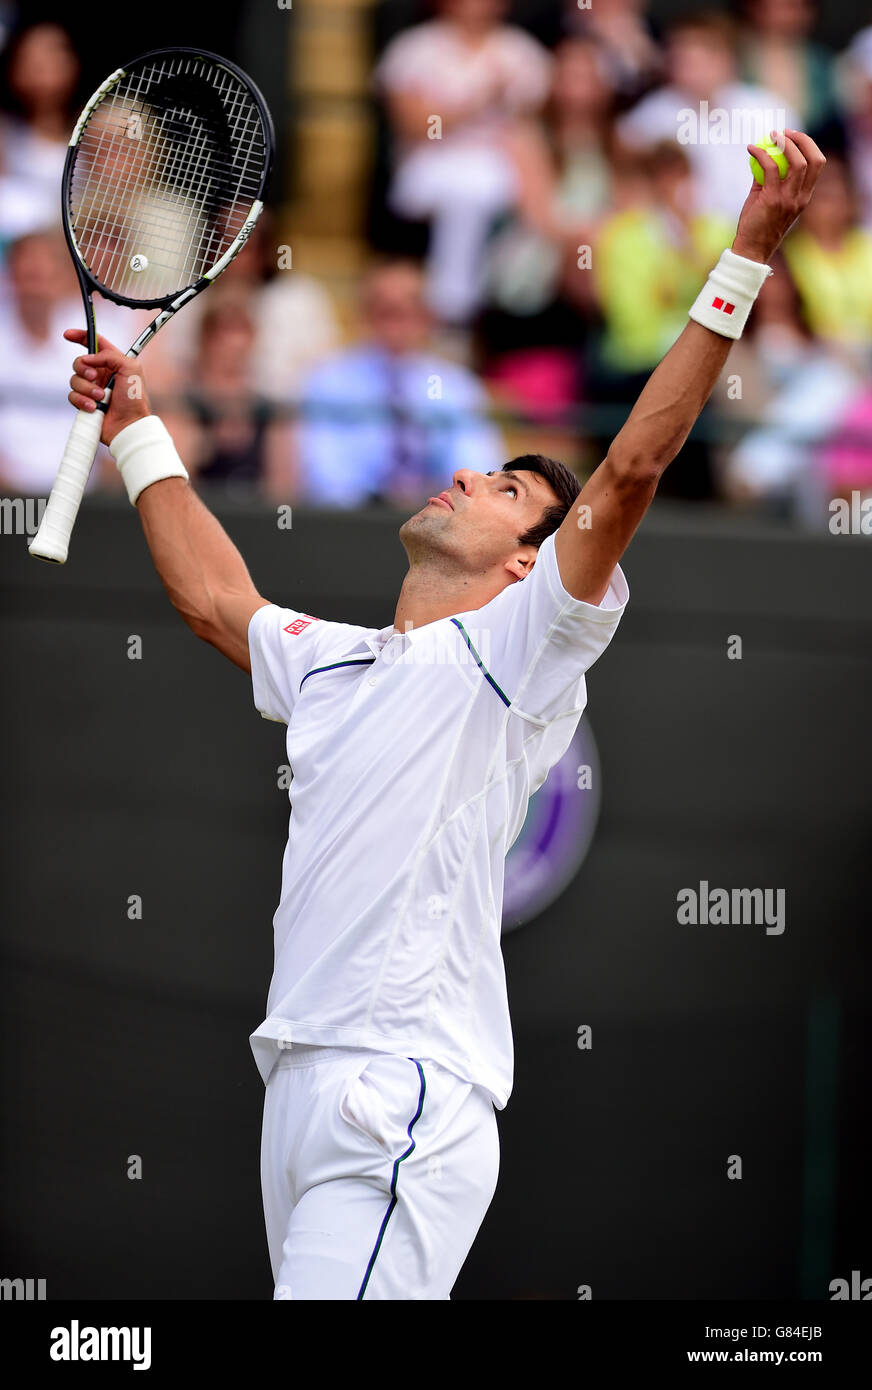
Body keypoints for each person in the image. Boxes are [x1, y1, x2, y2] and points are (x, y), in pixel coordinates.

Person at [59, 128, 825, 1299]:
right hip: (300, 1087)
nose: (469, 475)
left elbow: (624, 474)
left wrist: (742, 260)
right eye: (485, 470)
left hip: (399, 1095)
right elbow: (219, 597)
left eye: (505, 487)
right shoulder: (330, 663)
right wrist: (140, 428)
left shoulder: (522, 647)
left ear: (528, 565)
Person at [375, 0, 552, 323]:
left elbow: (530, 130)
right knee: (470, 188)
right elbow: (413, 124)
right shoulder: (414, 49)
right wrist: (479, 100)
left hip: (502, 165)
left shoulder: (522, 53)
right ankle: (452, 310)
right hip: (426, 166)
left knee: (508, 191)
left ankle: (509, 293)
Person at [294, 259, 505, 508]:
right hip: (353, 521)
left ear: (428, 317)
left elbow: (477, 468)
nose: (396, 324)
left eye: (407, 311)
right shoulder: (328, 380)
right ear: (364, 314)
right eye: (385, 311)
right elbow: (324, 471)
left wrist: (445, 510)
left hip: (441, 520)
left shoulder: (457, 387)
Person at [617, 9, 798, 222]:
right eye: (684, 59)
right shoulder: (644, 122)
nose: (694, 71)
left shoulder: (770, 110)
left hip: (763, 238)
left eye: (705, 57)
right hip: (680, 246)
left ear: (729, 59)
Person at [0, 21, 81, 249]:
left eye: (52, 55)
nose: (40, 69)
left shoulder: (98, 134)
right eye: (29, 59)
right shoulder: (4, 134)